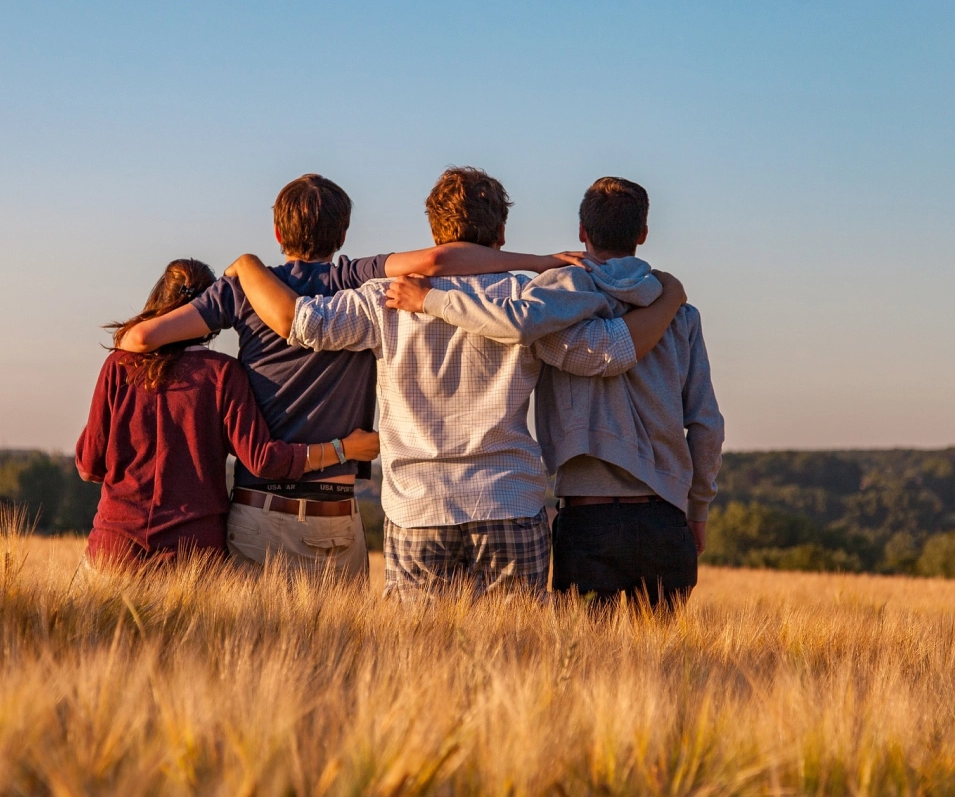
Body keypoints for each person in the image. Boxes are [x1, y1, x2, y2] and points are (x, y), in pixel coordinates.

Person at [224, 167, 687, 600]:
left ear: (433, 232)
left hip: (417, 508)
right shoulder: (528, 300)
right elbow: (606, 354)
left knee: (419, 663)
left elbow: (302, 323)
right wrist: (669, 299)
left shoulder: (383, 298)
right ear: (501, 234)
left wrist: (247, 266)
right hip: (508, 500)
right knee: (515, 659)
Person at [115, 173, 582, 578]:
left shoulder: (243, 289)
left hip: (260, 509)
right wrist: (539, 262)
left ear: (277, 231)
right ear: (343, 233)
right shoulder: (355, 278)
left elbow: (138, 341)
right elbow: (440, 262)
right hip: (339, 513)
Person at [386, 176, 723, 609]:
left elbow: (519, 325)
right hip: (667, 518)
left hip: (588, 519)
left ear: (582, 232)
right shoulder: (680, 313)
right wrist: (697, 509)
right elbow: (707, 425)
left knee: (580, 665)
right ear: (642, 234)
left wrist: (431, 299)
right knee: (661, 669)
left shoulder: (552, 300)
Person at [75, 258, 379, 570]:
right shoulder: (223, 374)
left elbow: (89, 466)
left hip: (115, 548)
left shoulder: (119, 366)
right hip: (193, 555)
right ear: (211, 312)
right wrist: (345, 449)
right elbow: (264, 460)